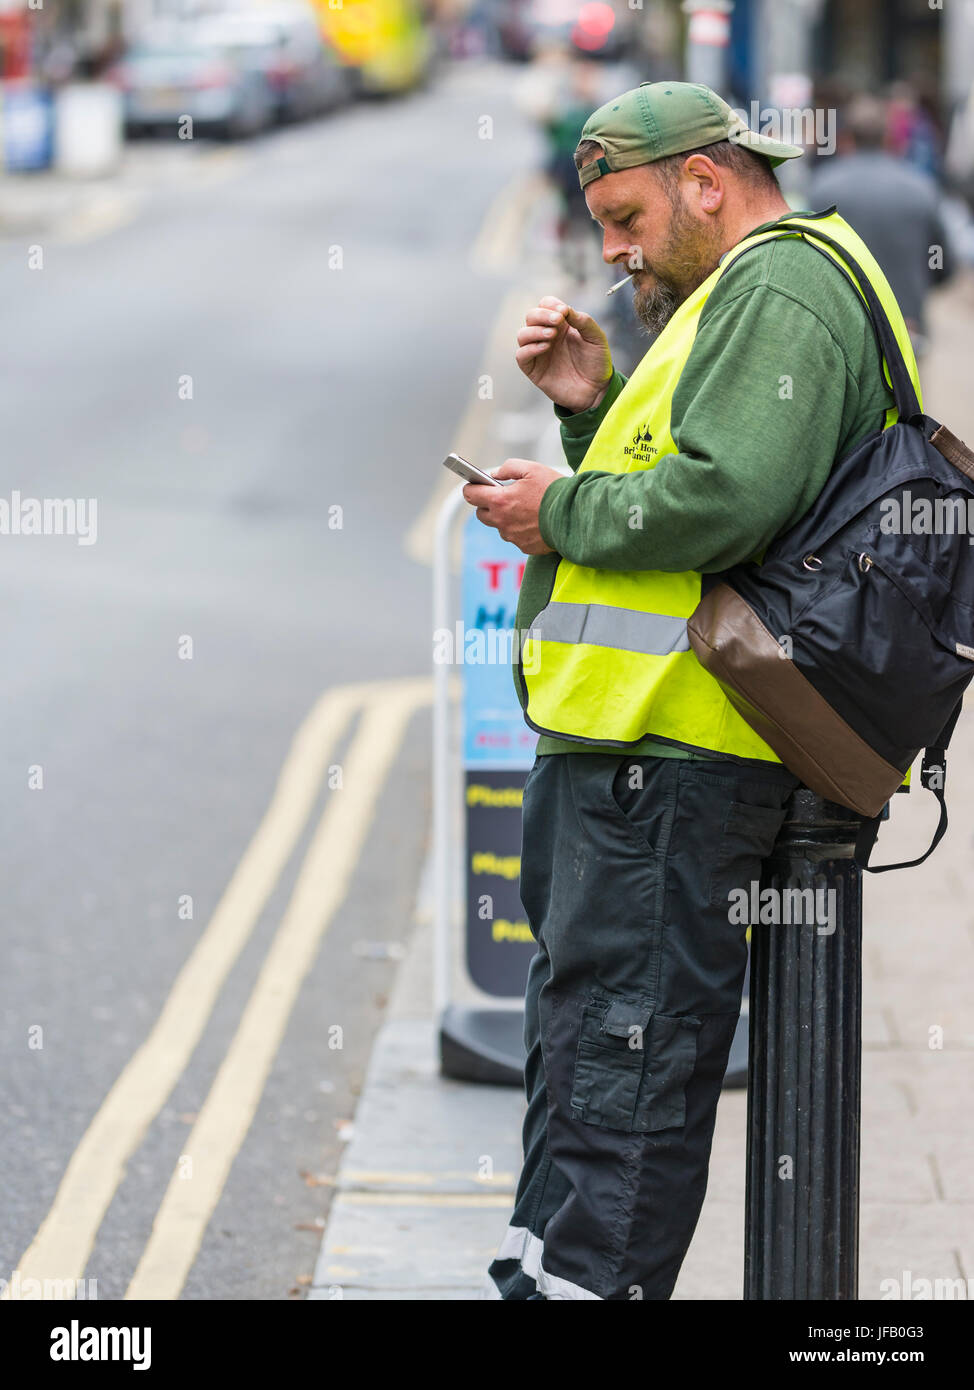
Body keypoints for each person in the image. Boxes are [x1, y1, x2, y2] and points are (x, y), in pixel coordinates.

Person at [462, 80, 921, 1300]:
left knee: (621, 1079)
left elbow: (725, 503)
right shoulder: (742, 290)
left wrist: (548, 508)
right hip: (631, 759)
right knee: (584, 1062)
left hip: (669, 764)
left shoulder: (776, 282)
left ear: (704, 183)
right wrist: (593, 409)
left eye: (625, 216)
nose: (612, 251)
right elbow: (700, 479)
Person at [811, 94, 955, 359]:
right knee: (905, 397)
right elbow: (943, 263)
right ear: (890, 139)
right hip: (906, 325)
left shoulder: (822, 187)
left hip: (840, 329)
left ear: (846, 138)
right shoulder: (921, 188)